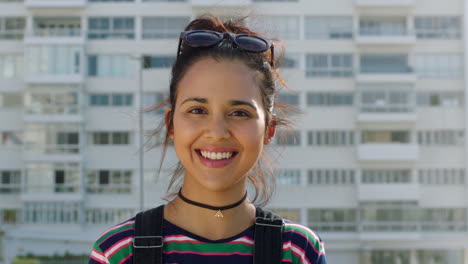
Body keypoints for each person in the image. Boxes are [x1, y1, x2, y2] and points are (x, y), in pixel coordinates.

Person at [88, 15, 327, 264]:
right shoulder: (119, 252)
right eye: (197, 110)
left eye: (239, 113)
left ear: (269, 129)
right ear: (171, 124)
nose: (217, 131)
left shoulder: (298, 251)